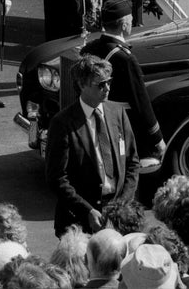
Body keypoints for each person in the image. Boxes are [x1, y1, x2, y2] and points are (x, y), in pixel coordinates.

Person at [45, 55, 139, 237]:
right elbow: (56, 178)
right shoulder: (63, 123)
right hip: (80, 223)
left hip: (118, 216)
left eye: (109, 82)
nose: (107, 88)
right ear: (82, 85)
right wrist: (86, 211)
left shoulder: (117, 113)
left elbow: (133, 162)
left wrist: (122, 206)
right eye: (100, 84)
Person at [81, 0, 165, 165]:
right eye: (131, 19)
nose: (132, 22)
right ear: (124, 24)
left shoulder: (89, 48)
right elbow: (140, 102)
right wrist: (157, 138)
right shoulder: (126, 59)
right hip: (121, 124)